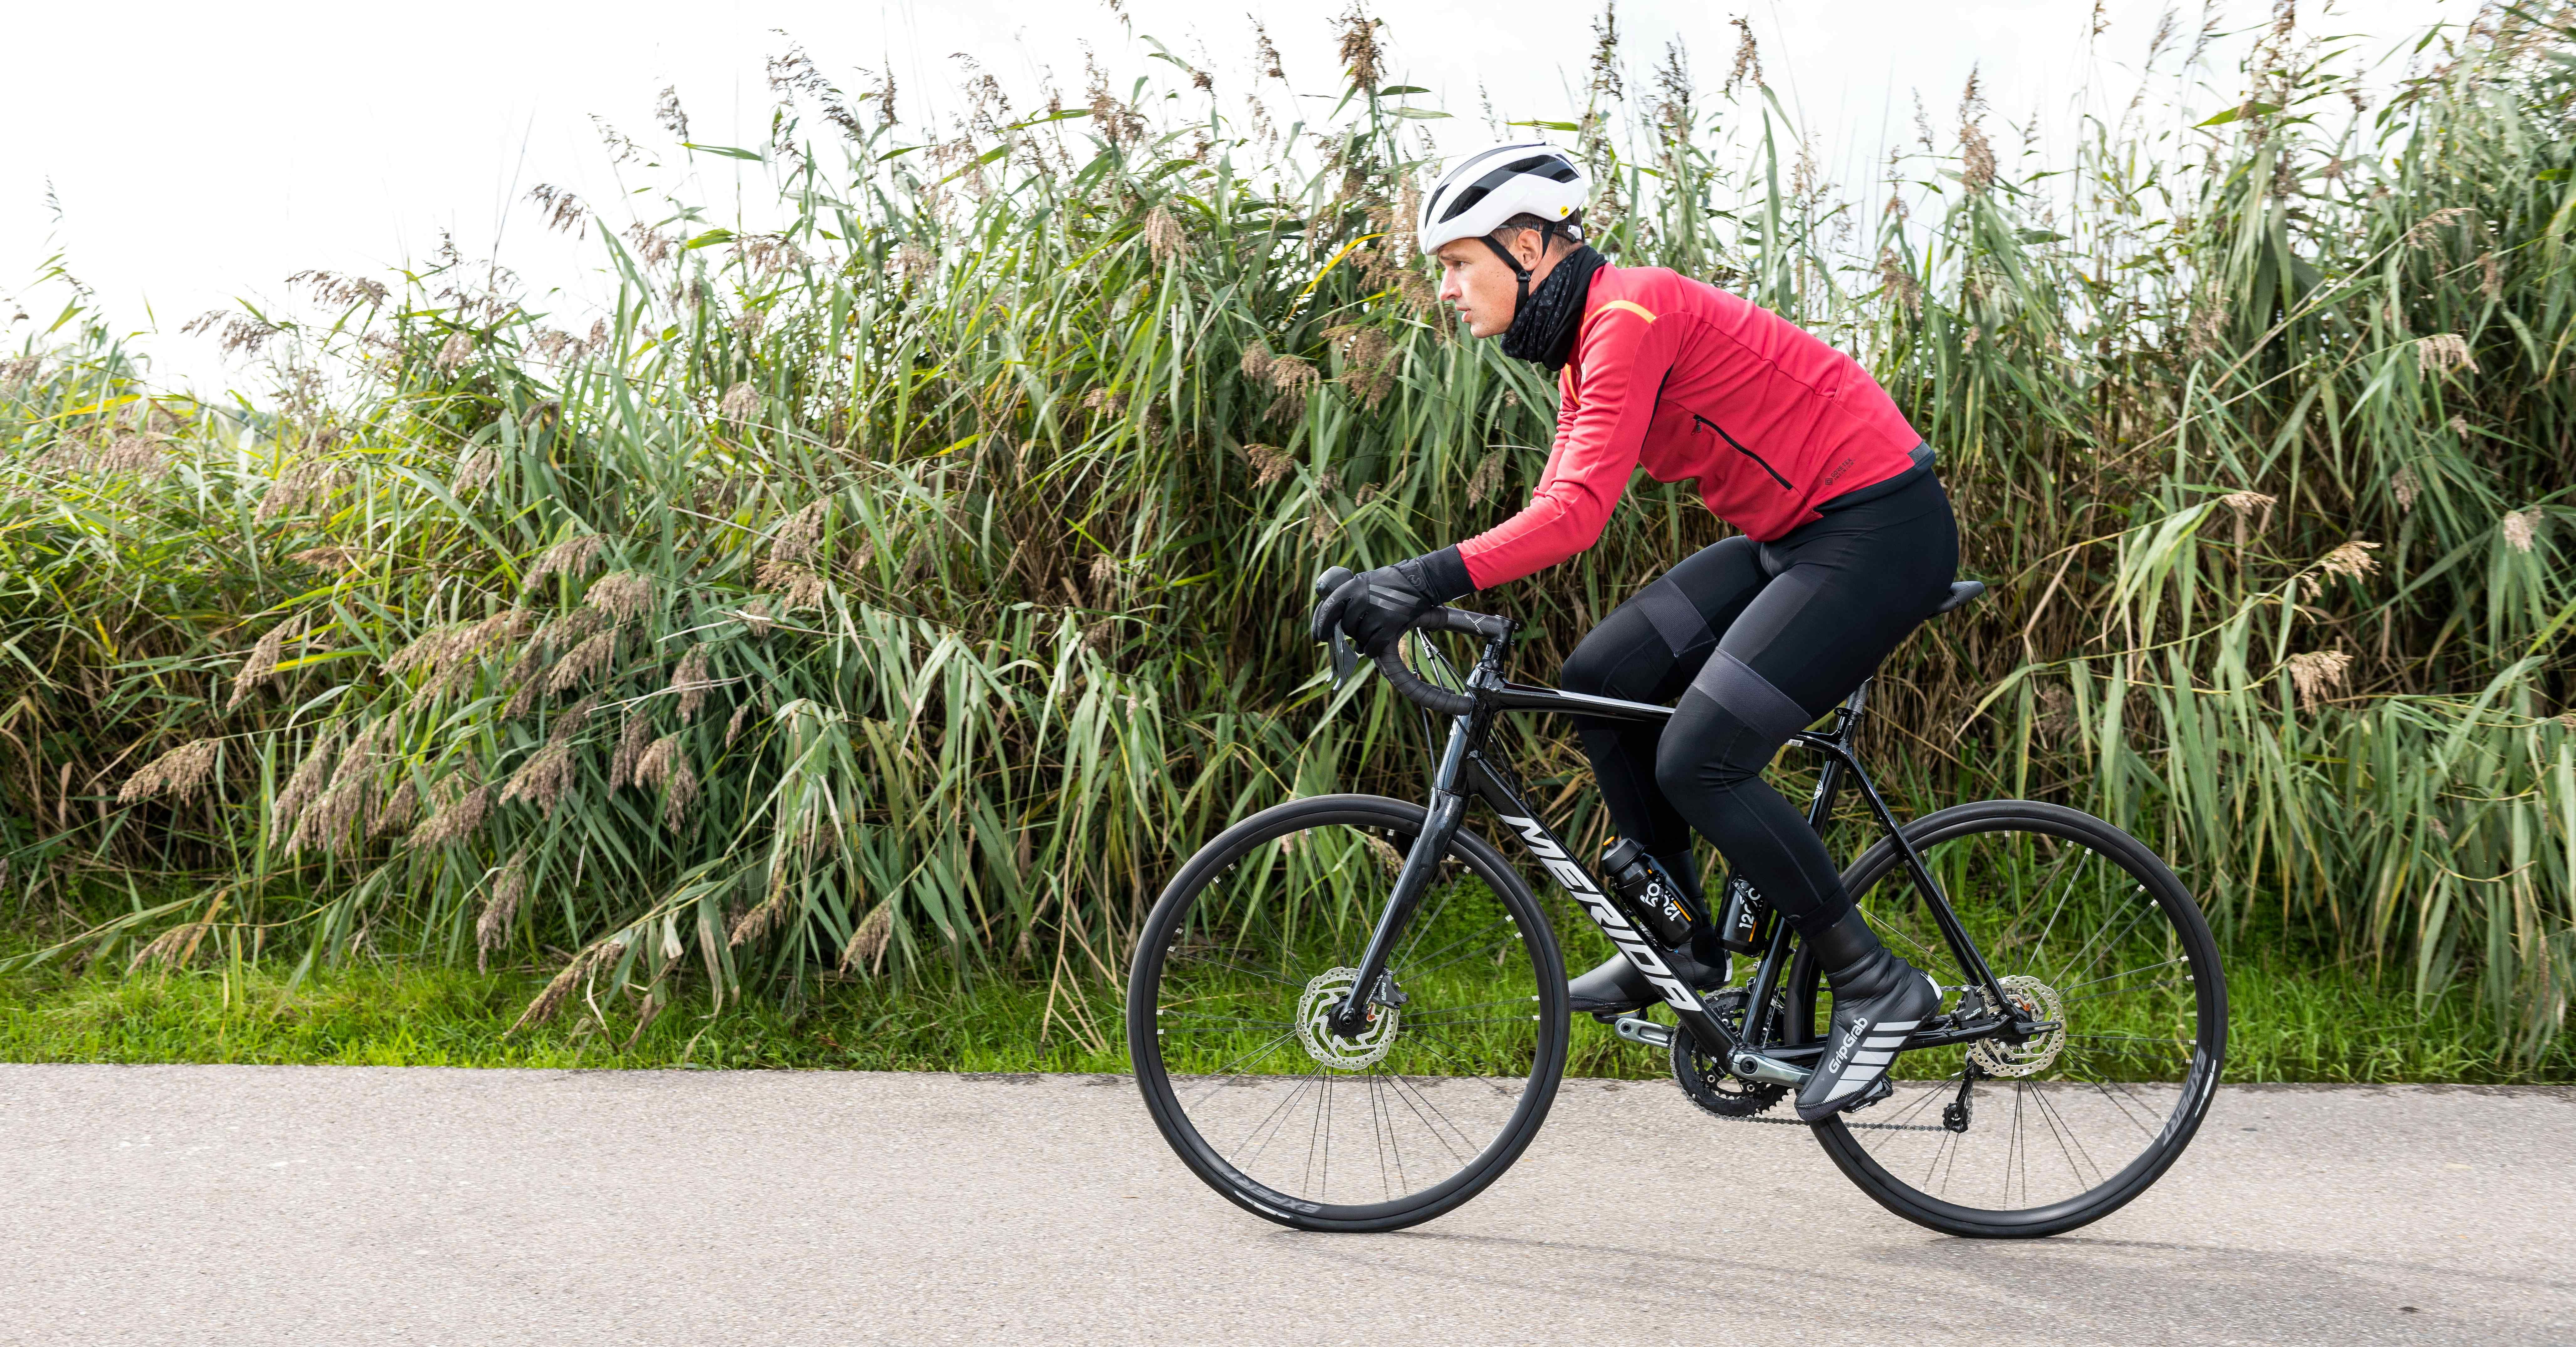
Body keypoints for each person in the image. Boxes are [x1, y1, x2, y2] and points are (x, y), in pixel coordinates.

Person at [1311, 142, 1958, 1121]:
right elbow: (1552, 506)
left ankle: (1876, 982)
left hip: (1878, 530)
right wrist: (1415, 584)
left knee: (1701, 757)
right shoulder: (1583, 352)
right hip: (1799, 535)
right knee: (1602, 676)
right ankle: (1682, 946)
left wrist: (1418, 577)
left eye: (1456, 262)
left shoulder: (1627, 316)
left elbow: (1576, 515)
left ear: (1527, 244)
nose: (1446, 288)